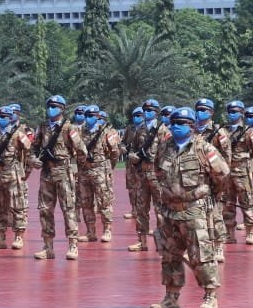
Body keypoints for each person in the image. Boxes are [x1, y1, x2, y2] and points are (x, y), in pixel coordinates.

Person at [148, 107, 230, 308]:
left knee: (201, 255)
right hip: (169, 212)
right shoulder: (165, 147)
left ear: (192, 126)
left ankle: (210, 297)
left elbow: (222, 175)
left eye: (182, 123)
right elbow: (158, 171)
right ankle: (171, 299)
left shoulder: (203, 148)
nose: (176, 126)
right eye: (173, 122)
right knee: (170, 256)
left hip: (195, 211)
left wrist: (208, 195)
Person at [31, 94, 86, 260]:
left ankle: (73, 246)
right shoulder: (42, 127)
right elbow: (33, 148)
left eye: (54, 106)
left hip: (64, 173)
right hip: (46, 174)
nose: (50, 109)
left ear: (62, 108)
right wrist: (33, 159)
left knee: (68, 209)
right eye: (49, 106)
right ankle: (48, 248)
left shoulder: (70, 128)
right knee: (45, 210)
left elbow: (82, 151)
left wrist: (74, 167)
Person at [0, 105, 33, 251]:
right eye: (0, 117)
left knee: (17, 207)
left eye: (5, 117)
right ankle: (0, 239)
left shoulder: (19, 134)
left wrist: (25, 173)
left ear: (11, 118)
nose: (2, 119)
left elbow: (30, 153)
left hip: (14, 176)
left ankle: (18, 237)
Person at [221, 100, 253, 246]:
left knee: (246, 202)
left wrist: (246, 161)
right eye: (230, 112)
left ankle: (250, 231)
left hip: (243, 173)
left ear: (241, 113)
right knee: (227, 204)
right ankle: (229, 233)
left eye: (234, 112)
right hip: (226, 174)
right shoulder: (223, 130)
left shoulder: (249, 131)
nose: (231, 114)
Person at [194, 98, 232, 261]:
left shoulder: (220, 133)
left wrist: (219, 185)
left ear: (211, 112)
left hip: (213, 180)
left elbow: (226, 160)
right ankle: (199, 247)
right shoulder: (191, 130)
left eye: (204, 109)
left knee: (215, 215)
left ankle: (218, 247)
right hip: (195, 180)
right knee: (195, 215)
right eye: (198, 109)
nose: (200, 112)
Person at [77, 104, 121, 243]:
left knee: (104, 202)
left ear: (97, 117)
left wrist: (109, 167)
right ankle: (90, 232)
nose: (88, 118)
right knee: (86, 203)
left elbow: (115, 152)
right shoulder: (79, 131)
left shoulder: (107, 132)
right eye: (87, 116)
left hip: (101, 171)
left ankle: (107, 230)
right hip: (84, 171)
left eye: (91, 116)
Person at [126, 99, 161, 253]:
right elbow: (132, 148)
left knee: (160, 210)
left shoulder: (164, 130)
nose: (146, 113)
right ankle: (142, 241)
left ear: (156, 112)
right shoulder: (140, 130)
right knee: (141, 209)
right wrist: (133, 156)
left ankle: (163, 243)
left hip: (158, 175)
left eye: (150, 110)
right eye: (145, 110)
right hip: (141, 175)